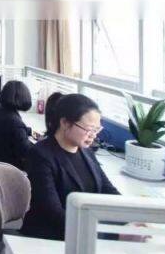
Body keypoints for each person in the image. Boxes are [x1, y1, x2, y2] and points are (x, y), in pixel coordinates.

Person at [21, 93, 120, 240]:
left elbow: (108, 191)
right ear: (65, 123)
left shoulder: (86, 153)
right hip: (51, 237)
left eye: (97, 130)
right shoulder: (41, 155)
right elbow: (53, 213)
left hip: (84, 232)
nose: (93, 135)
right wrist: (110, 234)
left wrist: (131, 218)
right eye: (89, 129)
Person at [0, 81, 38, 170]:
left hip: (0, 162)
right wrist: (41, 145)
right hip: (13, 168)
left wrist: (27, 130)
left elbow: (9, 130)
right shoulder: (15, 122)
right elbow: (26, 151)